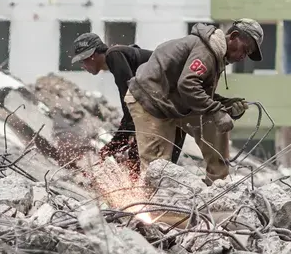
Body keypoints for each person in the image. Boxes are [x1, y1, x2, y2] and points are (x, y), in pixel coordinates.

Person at [125, 20, 263, 184]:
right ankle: (151, 205)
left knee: (215, 122)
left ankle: (217, 184)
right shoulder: (206, 51)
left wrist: (227, 105)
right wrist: (216, 110)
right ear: (233, 36)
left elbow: (198, 93)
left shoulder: (215, 55)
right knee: (157, 168)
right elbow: (187, 85)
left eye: (247, 55)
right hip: (150, 101)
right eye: (244, 50)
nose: (243, 57)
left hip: (172, 101)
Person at [71, 32, 185, 169]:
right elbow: (132, 109)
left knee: (142, 155)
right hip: (176, 102)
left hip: (174, 99)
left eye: (83, 61)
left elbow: (130, 103)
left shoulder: (114, 55)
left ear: (92, 56)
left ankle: (146, 186)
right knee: (162, 160)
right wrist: (119, 141)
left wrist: (114, 144)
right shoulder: (122, 58)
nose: (83, 66)